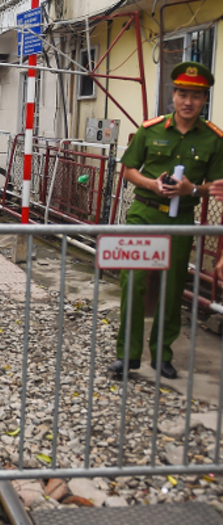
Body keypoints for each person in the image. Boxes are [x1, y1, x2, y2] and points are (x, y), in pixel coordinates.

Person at [108, 61, 223, 380]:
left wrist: (192, 189)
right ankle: (127, 356)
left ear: (204, 100)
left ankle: (162, 355)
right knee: (134, 283)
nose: (189, 102)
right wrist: (152, 184)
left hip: (181, 220)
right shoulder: (151, 129)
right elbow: (129, 168)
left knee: (173, 288)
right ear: (173, 95)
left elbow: (216, 187)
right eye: (183, 93)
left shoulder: (214, 140)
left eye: (196, 96)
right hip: (144, 214)